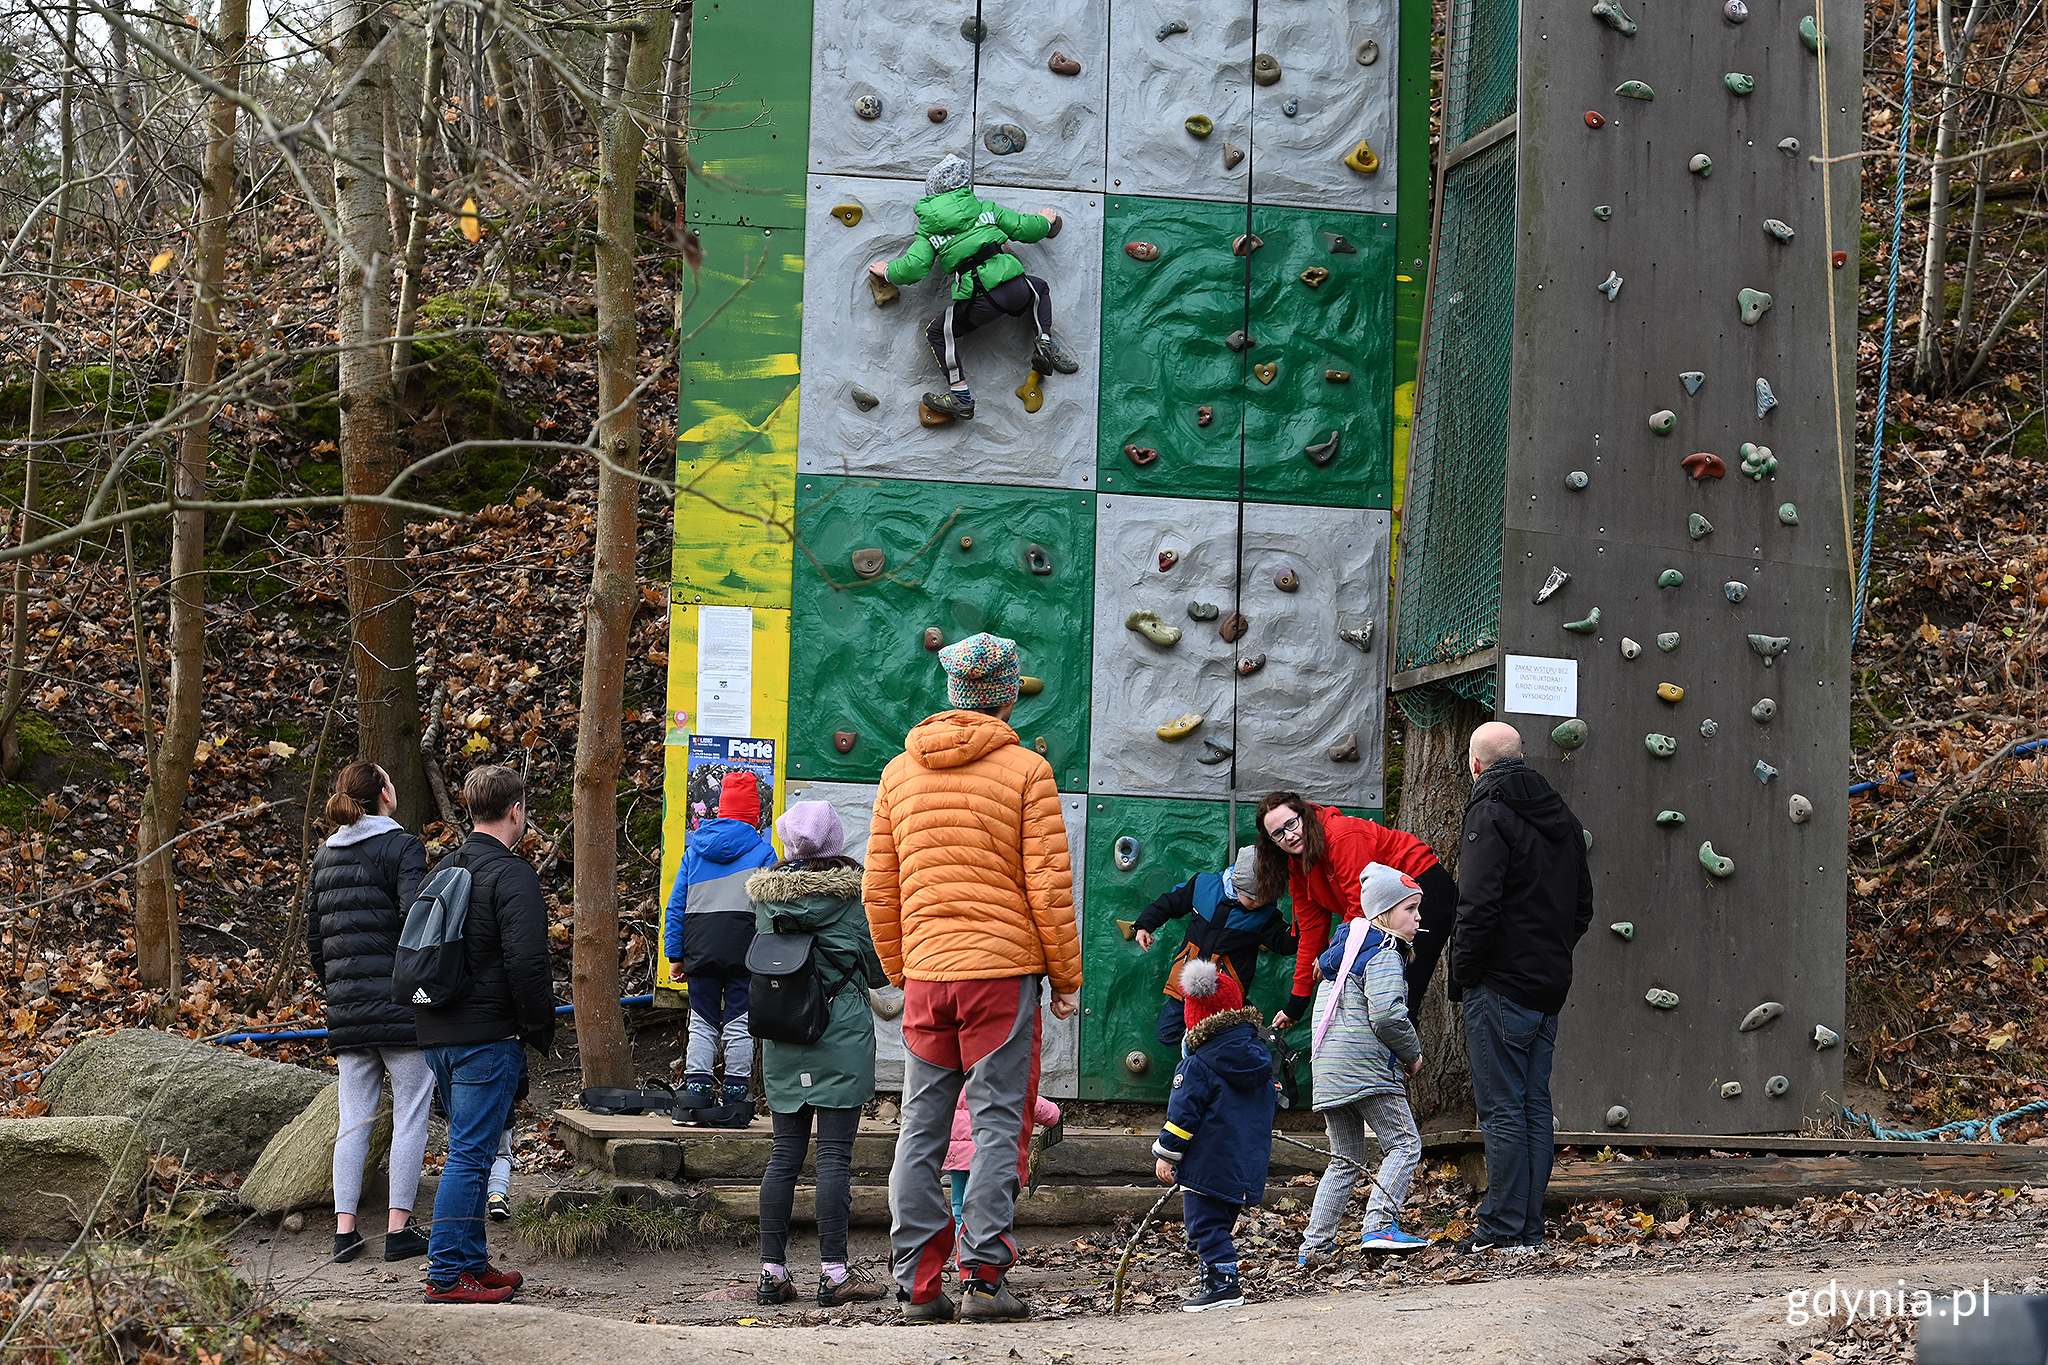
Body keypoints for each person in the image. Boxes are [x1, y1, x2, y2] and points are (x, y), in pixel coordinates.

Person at [863, 631, 1081, 1324]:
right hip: (1002, 973)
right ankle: (984, 1278)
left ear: (953, 691)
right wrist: (1065, 976)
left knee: (921, 1128)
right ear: (1008, 694)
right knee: (996, 1125)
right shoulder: (1026, 770)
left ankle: (918, 1285)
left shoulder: (899, 772)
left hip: (928, 974)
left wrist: (904, 968)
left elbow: (879, 889)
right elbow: (1047, 885)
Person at [1449, 722, 1593, 1254]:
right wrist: (1549, 953)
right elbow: (1583, 908)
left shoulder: (1488, 813)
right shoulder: (1564, 817)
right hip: (1547, 983)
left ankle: (1503, 1225)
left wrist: (1465, 970)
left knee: (1503, 1107)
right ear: (1523, 757)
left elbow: (1477, 907)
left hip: (1499, 983)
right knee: (1533, 1103)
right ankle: (1526, 1225)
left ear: (1475, 764)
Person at [416, 765, 555, 1304]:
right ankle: (448, 1275)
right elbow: (528, 962)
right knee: (470, 1155)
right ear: (516, 811)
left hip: (437, 1032)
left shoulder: (444, 869)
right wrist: (537, 1028)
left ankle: (472, 1263)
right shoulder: (512, 874)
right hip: (486, 1035)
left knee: (465, 1149)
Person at [748, 800, 892, 1309]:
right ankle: (834, 1274)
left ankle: (772, 1273)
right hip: (841, 1036)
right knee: (833, 1156)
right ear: (836, 844)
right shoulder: (856, 902)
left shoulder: (767, 902)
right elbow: (880, 970)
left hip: (785, 1037)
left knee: (783, 1156)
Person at [307, 761, 432, 1266]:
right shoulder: (403, 847)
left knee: (352, 1123)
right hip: (402, 1006)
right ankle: (399, 1229)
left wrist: (340, 989)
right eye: (392, 779)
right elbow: (419, 921)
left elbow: (316, 941)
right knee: (410, 1115)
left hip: (347, 1009)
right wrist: (427, 990)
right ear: (384, 793)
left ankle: (345, 1233)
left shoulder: (324, 856)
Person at [869, 153, 1079, 422]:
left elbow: (914, 268)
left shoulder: (929, 231)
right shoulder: (987, 210)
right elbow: (1025, 228)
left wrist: (887, 270)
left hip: (981, 301)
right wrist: (1046, 221)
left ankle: (961, 395)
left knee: (937, 332)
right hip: (1017, 289)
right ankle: (1045, 342)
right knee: (1039, 289)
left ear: (932, 193)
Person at [1297, 864, 1431, 1266]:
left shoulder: (1343, 954)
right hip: (1366, 1070)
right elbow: (1388, 1016)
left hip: (1328, 1070)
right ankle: (1380, 1224)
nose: (1419, 918)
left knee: (1346, 1159)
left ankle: (1314, 1246)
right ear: (1385, 914)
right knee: (1405, 1144)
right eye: (1410, 909)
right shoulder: (1385, 952)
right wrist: (1412, 1054)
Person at [1251, 793, 1454, 1031]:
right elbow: (1311, 931)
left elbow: (1362, 907)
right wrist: (1296, 1004)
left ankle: (1400, 1064)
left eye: (1291, 824)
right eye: (1278, 834)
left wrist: (1330, 952)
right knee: (1377, 993)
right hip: (1385, 911)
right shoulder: (1297, 867)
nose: (1289, 835)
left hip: (1423, 890)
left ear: (1304, 815)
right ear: (1271, 842)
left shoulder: (1341, 835)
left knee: (1400, 992)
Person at [1151, 957, 1278, 1312]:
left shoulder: (1197, 1065)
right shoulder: (1259, 1060)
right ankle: (1216, 1278)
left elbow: (1182, 1116)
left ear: (1195, 1022)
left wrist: (1167, 1154)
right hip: (1244, 1165)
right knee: (1219, 1224)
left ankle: (1224, 1285)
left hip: (1207, 1164)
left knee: (1204, 1226)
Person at [663, 770, 777, 1123]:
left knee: (702, 1019)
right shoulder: (763, 851)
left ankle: (696, 1088)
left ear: (720, 809)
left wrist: (675, 955)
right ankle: (735, 1092)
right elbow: (771, 906)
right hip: (745, 950)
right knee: (740, 1021)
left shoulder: (695, 849)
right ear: (754, 815)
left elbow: (677, 903)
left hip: (700, 946)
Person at [1132, 845, 1293, 1046]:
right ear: (1237, 884)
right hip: (1188, 985)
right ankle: (1210, 1048)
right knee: (1167, 1032)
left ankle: (1224, 1048)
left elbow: (1284, 943)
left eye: (1266, 898)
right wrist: (1145, 924)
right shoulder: (1203, 886)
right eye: (1253, 897)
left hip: (1225, 992)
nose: (1259, 903)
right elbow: (1170, 902)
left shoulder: (1264, 916)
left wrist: (1306, 928)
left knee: (1233, 1031)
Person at [942, 1090, 1063, 1229]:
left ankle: (961, 1243)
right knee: (974, 1207)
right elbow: (1025, 1099)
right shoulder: (992, 1077)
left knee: (958, 1206)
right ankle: (971, 1246)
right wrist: (1054, 1114)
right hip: (984, 1152)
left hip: (955, 1152)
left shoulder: (953, 1077)